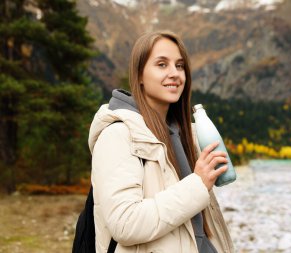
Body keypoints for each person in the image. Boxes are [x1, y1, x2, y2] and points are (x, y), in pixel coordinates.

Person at [88, 30, 234, 253]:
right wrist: (198, 184)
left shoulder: (186, 134)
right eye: (162, 64)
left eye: (180, 65)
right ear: (139, 75)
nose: (175, 73)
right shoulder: (117, 135)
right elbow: (124, 224)